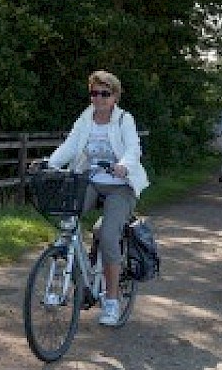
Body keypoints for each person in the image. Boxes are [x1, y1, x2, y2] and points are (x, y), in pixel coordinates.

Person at [47, 70, 150, 326]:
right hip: (90, 180)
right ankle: (62, 286)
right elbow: (71, 145)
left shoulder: (124, 119)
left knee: (107, 236)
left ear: (114, 96)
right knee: (66, 222)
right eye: (95, 93)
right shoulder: (85, 118)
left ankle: (112, 301)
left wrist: (124, 165)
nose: (99, 98)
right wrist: (49, 164)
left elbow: (133, 148)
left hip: (120, 185)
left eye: (105, 93)